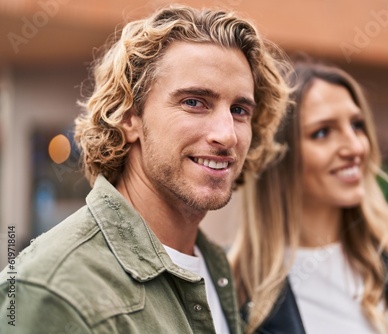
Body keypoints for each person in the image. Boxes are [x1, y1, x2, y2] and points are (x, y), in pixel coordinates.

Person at [0, 5, 291, 333]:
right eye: (194, 102)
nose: (227, 135)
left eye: (239, 110)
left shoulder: (217, 267)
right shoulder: (53, 289)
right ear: (128, 117)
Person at [229, 61, 388, 333]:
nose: (355, 147)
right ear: (279, 156)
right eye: (323, 132)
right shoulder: (235, 289)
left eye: (357, 125)